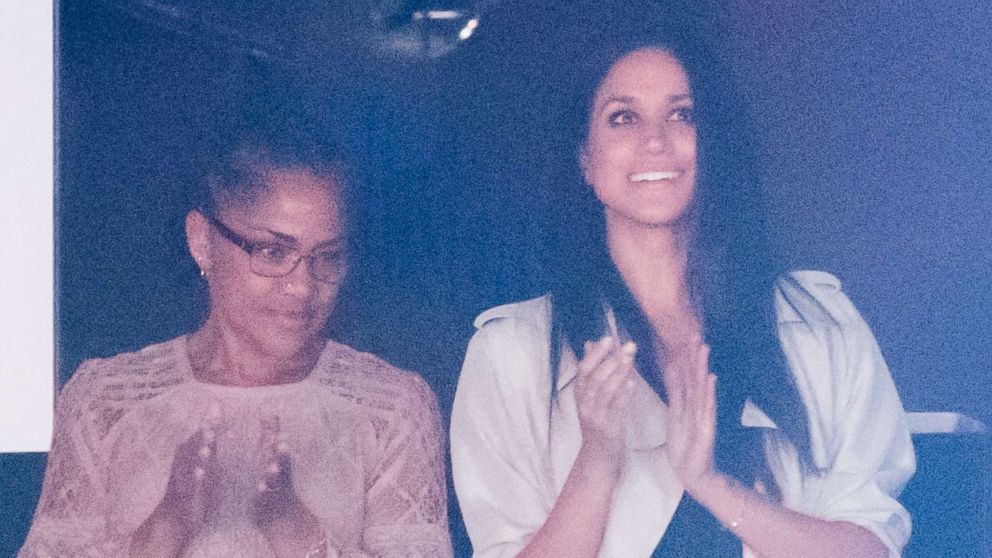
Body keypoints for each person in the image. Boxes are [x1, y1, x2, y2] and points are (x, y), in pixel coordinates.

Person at [450, 24, 916, 558]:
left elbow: (872, 547)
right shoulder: (509, 353)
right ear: (584, 159)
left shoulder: (819, 322)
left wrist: (712, 485)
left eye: (682, 114)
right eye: (623, 117)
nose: (655, 140)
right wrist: (598, 460)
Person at [20, 121, 453, 558]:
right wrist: (163, 532)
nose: (303, 286)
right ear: (202, 240)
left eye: (328, 257)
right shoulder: (105, 400)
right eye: (273, 251)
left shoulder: (391, 407)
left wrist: (297, 535)